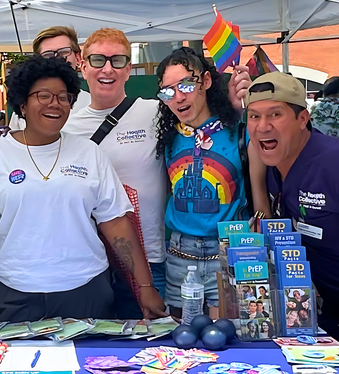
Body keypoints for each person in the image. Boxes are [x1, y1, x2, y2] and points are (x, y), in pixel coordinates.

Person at [0, 56, 166, 323]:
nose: (56, 103)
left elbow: (116, 223)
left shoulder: (89, 153)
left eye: (64, 97)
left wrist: (145, 286)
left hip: (86, 292)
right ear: (22, 104)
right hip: (13, 294)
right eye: (44, 95)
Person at [154, 47, 269, 319]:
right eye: (168, 91)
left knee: (228, 340)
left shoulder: (240, 134)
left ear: (205, 81)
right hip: (179, 256)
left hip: (230, 251)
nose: (178, 97)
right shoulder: (168, 139)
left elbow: (262, 206)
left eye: (185, 85)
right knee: (182, 344)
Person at [62, 28, 169, 319]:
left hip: (149, 262)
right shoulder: (64, 126)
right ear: (83, 66)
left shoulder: (156, 112)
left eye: (117, 61)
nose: (107, 69)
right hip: (90, 265)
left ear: (129, 69)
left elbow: (204, 126)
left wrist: (236, 104)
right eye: (98, 60)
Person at [245, 71, 339, 338]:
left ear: (302, 119)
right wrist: (256, 172)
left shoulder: (332, 163)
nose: (263, 126)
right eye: (254, 116)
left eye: (275, 114)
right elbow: (268, 222)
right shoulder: (273, 165)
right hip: (323, 312)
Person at [8, 25, 91, 131]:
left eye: (64, 52)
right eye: (48, 55)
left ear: (78, 58)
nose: (57, 59)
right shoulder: (26, 103)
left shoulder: (91, 103)